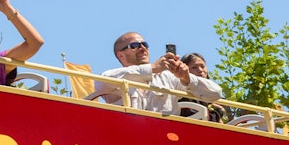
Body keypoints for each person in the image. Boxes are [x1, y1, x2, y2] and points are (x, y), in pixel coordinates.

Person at [94, 33, 223, 114]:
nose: (143, 48)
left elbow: (216, 93)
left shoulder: (168, 77)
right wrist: (152, 68)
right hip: (127, 143)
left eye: (144, 44)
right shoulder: (114, 76)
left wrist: (186, 78)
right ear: (120, 55)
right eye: (134, 45)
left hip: (165, 141)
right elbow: (102, 82)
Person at [180, 52, 227, 122]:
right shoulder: (182, 92)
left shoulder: (212, 94)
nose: (200, 70)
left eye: (202, 66)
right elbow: (196, 118)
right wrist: (218, 112)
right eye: (194, 67)